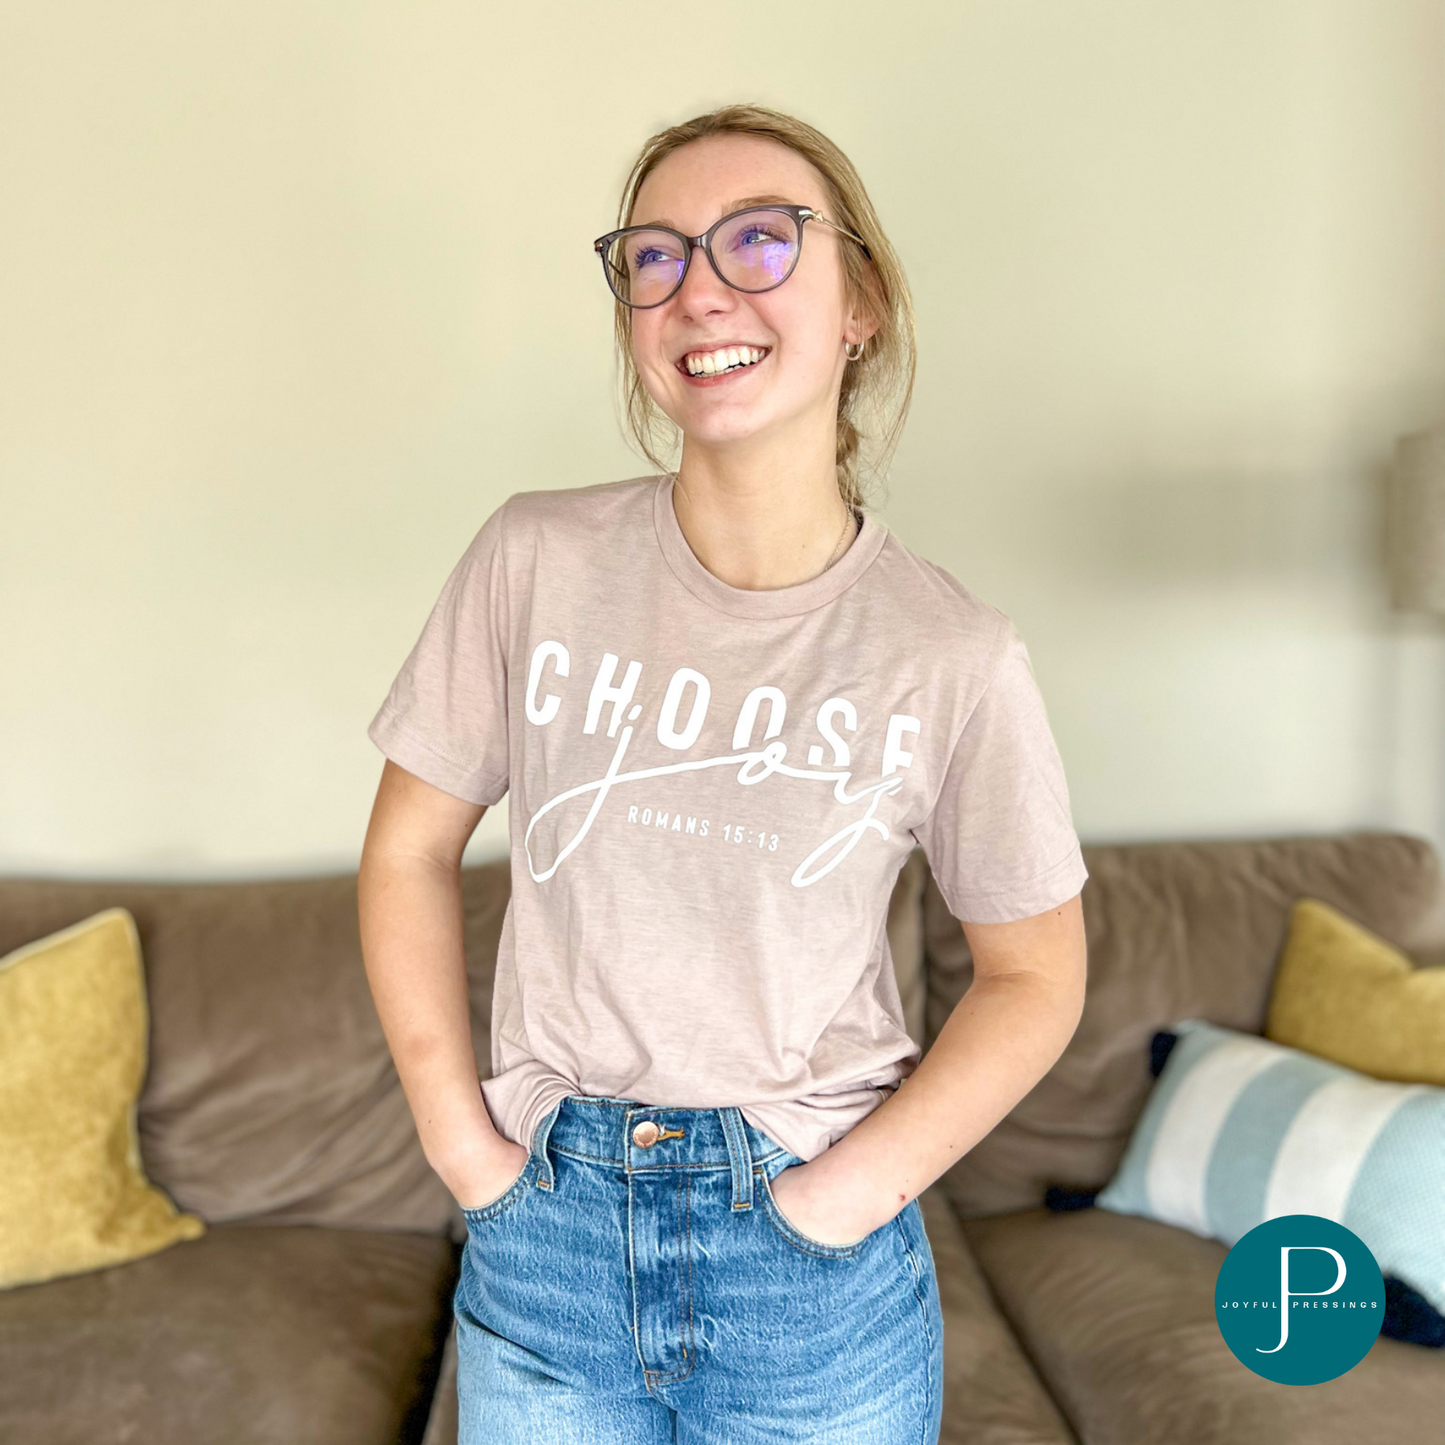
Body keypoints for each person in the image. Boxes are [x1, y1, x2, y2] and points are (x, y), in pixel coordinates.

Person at [358, 102, 1089, 1445]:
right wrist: (465, 1151)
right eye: (655, 257)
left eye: (760, 241)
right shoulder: (534, 562)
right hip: (547, 1240)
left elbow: (1038, 975)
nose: (700, 290)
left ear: (859, 298)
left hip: (810, 1265)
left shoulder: (952, 653)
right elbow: (406, 849)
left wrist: (843, 1197)